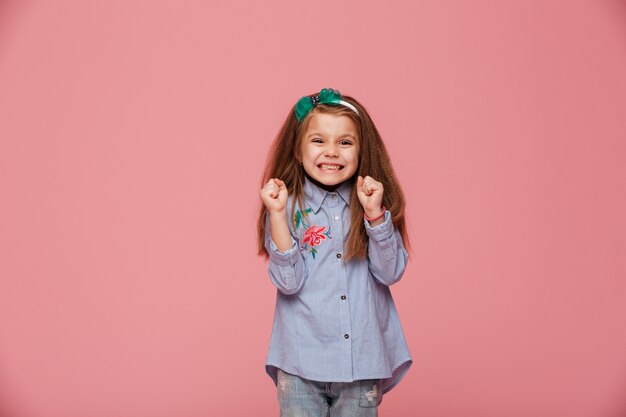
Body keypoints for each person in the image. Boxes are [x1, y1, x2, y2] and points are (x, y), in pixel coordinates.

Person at [257, 88, 412, 417]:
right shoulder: (288, 204)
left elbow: (390, 272)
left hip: (361, 361)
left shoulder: (371, 201)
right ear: (298, 151)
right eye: (318, 141)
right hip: (300, 361)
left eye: (344, 142)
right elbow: (289, 281)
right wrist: (277, 215)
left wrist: (374, 215)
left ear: (361, 150)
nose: (332, 152)